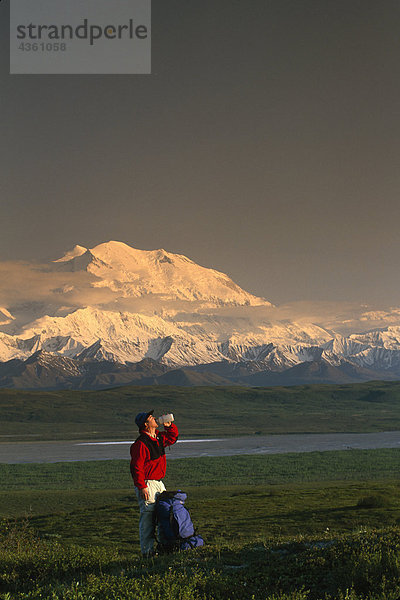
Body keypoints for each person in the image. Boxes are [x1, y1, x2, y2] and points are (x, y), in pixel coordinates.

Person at [130, 409, 178, 556]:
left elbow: (173, 437)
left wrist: (169, 426)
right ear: (146, 424)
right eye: (150, 417)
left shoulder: (157, 437)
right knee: (148, 518)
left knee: (163, 514)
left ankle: (163, 547)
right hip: (147, 484)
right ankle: (147, 552)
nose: (154, 418)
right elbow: (136, 467)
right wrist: (142, 487)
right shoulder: (140, 444)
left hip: (158, 483)